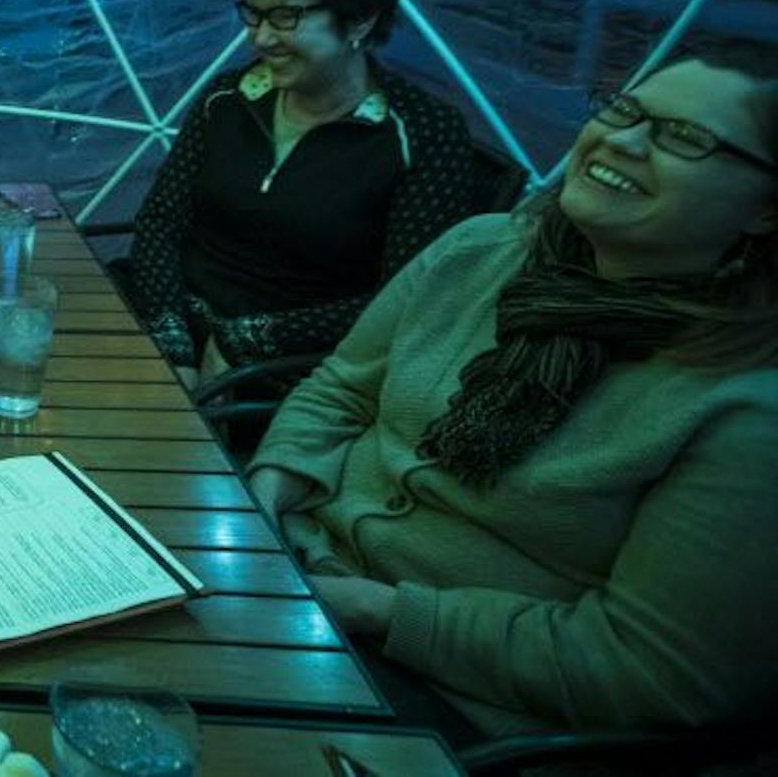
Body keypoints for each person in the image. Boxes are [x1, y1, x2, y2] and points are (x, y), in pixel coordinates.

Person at [247, 57, 778, 736]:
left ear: (766, 207)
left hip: (453, 704)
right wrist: (264, 496)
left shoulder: (745, 406)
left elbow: (651, 671)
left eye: (685, 136)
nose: (623, 140)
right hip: (300, 564)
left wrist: (376, 608)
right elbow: (339, 390)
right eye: (623, 108)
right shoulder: (481, 249)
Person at [126, 0, 475, 385]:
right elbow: (160, 222)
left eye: (285, 17)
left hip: (284, 367)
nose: (261, 38)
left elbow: (403, 300)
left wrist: (244, 341)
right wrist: (172, 346)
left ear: (360, 19)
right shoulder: (230, 97)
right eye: (252, 13)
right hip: (169, 320)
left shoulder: (425, 133)